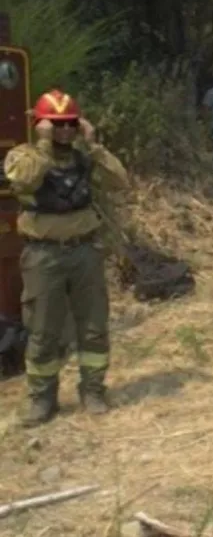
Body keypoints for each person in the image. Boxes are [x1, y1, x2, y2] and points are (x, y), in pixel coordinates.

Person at [2, 89, 129, 426]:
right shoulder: (23, 155)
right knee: (43, 329)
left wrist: (94, 144)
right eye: (56, 124)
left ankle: (93, 391)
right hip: (44, 256)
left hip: (84, 252)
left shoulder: (84, 156)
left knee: (93, 326)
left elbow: (120, 181)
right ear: (42, 125)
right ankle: (42, 399)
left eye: (69, 124)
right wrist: (43, 144)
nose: (64, 131)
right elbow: (26, 179)